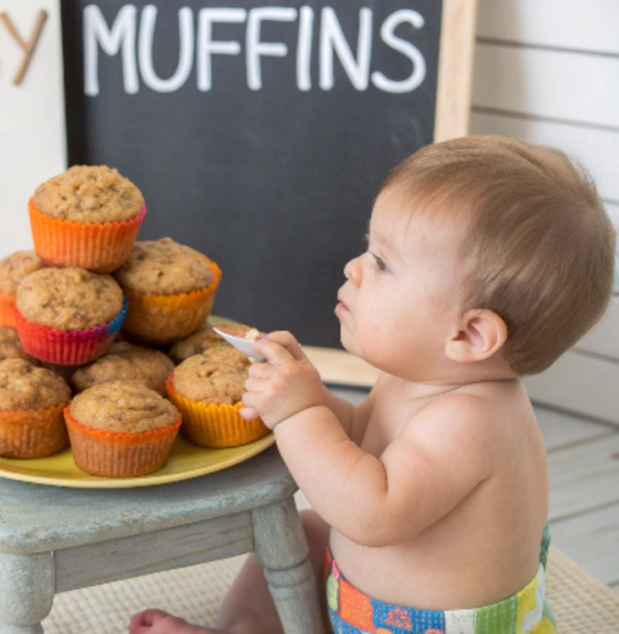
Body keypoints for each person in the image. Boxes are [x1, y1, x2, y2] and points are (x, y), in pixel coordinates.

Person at [130, 136, 616, 634]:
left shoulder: (472, 421)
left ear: (468, 334)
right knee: (301, 534)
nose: (353, 268)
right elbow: (362, 438)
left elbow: (369, 513)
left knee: (323, 525)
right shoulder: (421, 379)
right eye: (368, 249)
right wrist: (310, 393)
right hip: (368, 611)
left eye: (382, 263)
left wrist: (299, 416)